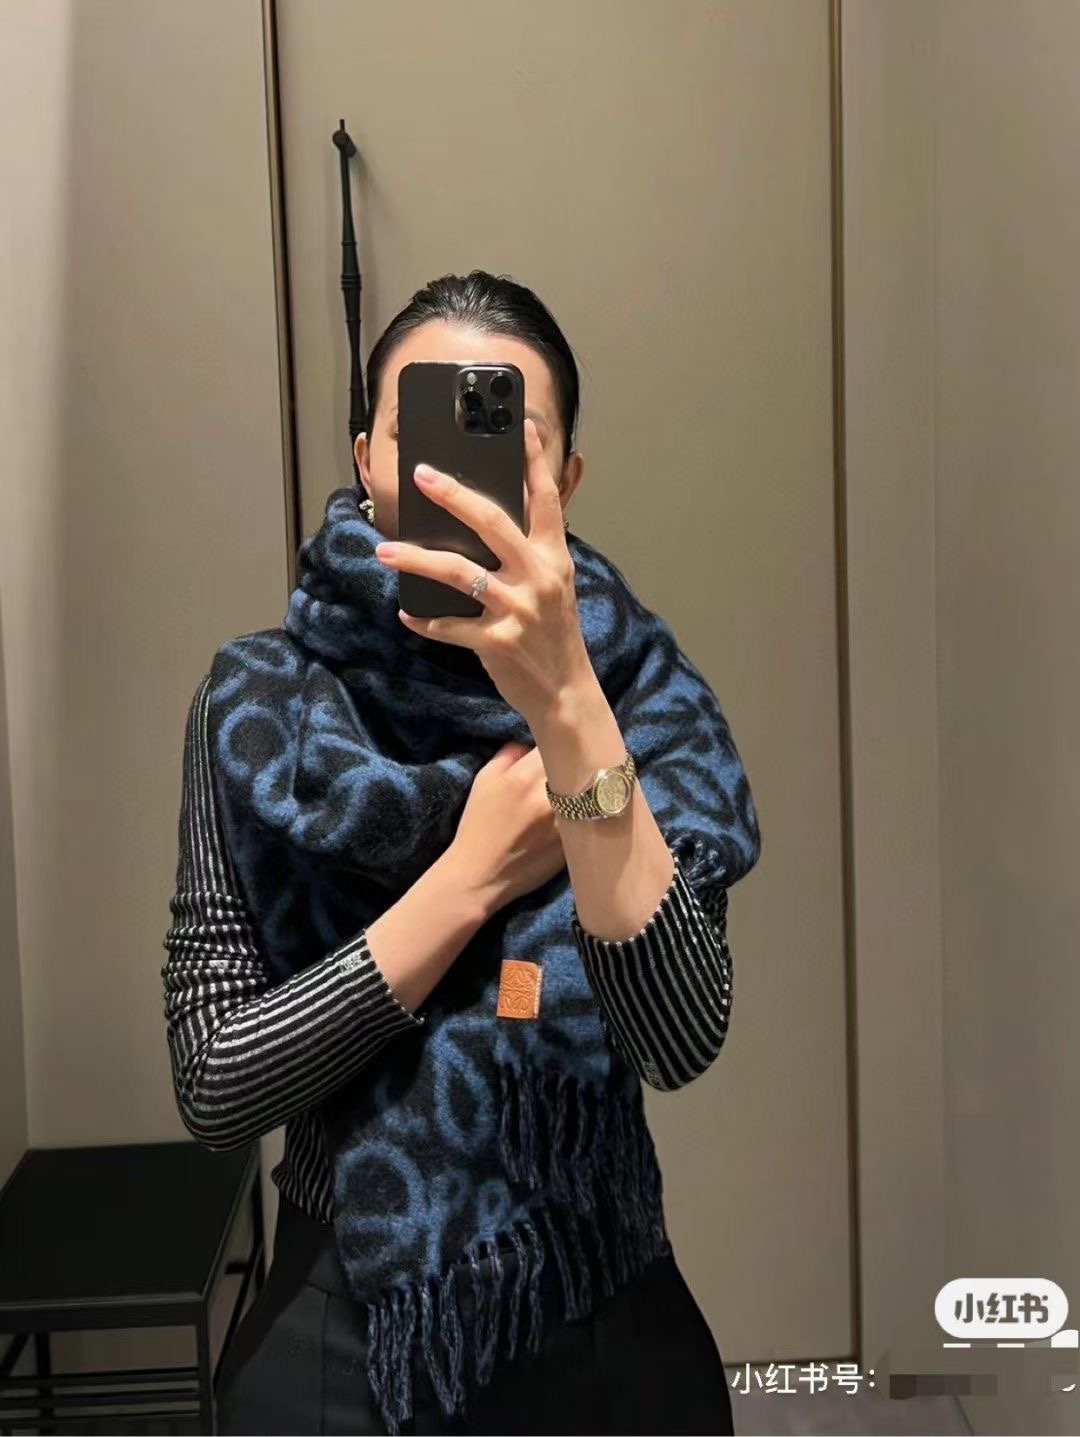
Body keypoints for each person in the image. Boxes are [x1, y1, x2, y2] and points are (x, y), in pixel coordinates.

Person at [161, 270, 760, 1435]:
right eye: (420, 435)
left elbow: (679, 1034)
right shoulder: (261, 706)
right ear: (368, 461)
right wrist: (471, 875)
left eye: (504, 439)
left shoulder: (639, 699)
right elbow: (215, 1080)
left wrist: (568, 704)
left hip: (600, 1303)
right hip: (342, 1327)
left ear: (564, 479)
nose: (453, 477)